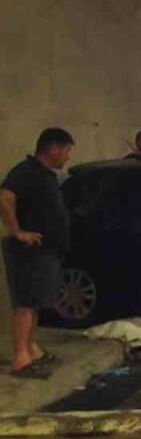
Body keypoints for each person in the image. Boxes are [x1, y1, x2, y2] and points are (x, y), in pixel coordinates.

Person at [1, 128, 75, 378]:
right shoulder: (26, 171)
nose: (67, 157)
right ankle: (21, 359)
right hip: (29, 252)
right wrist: (17, 231)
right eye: (66, 151)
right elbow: (5, 197)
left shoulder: (45, 175)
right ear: (53, 149)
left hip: (45, 252)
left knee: (35, 303)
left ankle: (31, 350)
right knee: (26, 303)